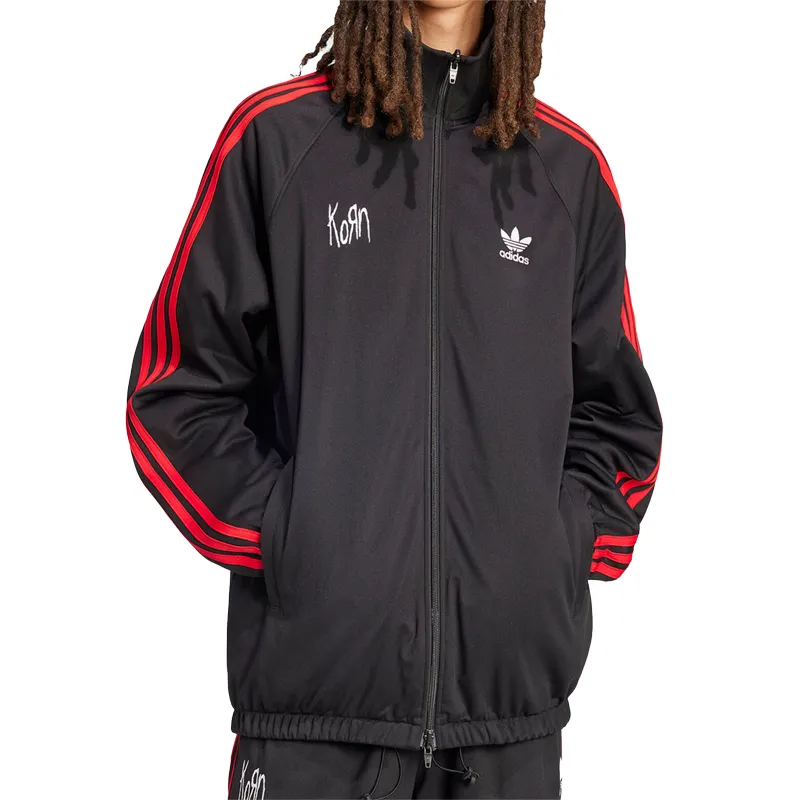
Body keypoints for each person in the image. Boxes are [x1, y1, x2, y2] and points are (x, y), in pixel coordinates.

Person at [126, 0, 662, 797]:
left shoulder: (567, 174)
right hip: (313, 733)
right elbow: (177, 392)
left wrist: (549, 551)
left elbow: (619, 422)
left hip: (507, 739)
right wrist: (293, 538)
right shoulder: (277, 142)